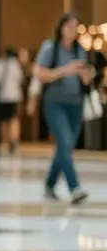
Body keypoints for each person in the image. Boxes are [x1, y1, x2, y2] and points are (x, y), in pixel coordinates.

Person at [34, 12, 93, 203]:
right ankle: (74, 187)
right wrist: (65, 70)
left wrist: (85, 73)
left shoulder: (79, 49)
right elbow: (40, 74)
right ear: (61, 28)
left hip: (75, 104)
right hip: (55, 103)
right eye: (70, 26)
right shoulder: (50, 48)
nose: (73, 30)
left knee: (65, 146)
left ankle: (50, 184)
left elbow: (86, 79)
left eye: (76, 27)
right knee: (65, 142)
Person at [0, 46, 24, 154]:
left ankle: (6, 141)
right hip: (14, 95)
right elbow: (21, 79)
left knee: (4, 120)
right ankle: (14, 139)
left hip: (3, 95)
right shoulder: (16, 64)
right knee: (14, 118)